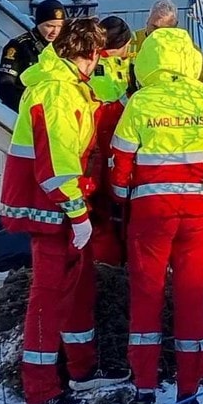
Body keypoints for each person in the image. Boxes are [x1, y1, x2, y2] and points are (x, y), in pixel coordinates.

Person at [0, 18, 129, 404]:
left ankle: (82, 368)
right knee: (49, 296)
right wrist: (78, 215)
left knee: (77, 289)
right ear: (89, 54)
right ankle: (41, 390)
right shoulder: (57, 93)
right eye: (98, 58)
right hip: (51, 209)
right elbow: (56, 168)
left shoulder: (66, 86)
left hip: (60, 207)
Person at [111, 27, 203, 404]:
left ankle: (144, 389)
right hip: (201, 214)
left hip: (151, 215)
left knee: (147, 297)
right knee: (191, 298)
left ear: (147, 60)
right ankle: (188, 389)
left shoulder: (140, 101)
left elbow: (120, 164)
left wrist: (122, 200)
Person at [86, 16, 134, 265]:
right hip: (106, 146)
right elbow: (109, 106)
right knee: (105, 210)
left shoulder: (106, 63)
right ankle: (108, 263)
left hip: (108, 146)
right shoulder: (101, 67)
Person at [131, 0, 203, 95]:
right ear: (147, 20)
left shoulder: (186, 47)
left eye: (166, 29)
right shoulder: (131, 42)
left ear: (176, 26)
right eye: (155, 27)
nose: (158, 34)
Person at [0, 0, 67, 110]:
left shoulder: (66, 47)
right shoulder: (19, 46)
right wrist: (30, 109)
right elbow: (4, 87)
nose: (55, 32)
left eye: (60, 26)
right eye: (49, 26)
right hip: (27, 110)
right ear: (38, 24)